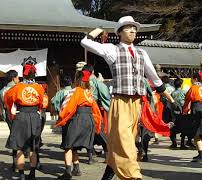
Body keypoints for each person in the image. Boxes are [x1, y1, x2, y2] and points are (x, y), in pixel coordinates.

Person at [81, 16, 175, 180]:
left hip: (137, 102)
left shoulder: (141, 52)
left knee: (126, 140)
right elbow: (85, 42)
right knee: (125, 141)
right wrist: (99, 29)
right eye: (128, 28)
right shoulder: (112, 50)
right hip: (121, 101)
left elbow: (154, 77)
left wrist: (170, 98)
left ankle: (109, 171)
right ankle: (133, 175)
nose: (132, 30)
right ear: (119, 32)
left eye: (134, 28)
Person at [56, 69, 102, 180]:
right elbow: (95, 110)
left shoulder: (75, 91)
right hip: (89, 119)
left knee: (68, 146)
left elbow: (67, 107)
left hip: (77, 119)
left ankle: (68, 172)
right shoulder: (89, 93)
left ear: (77, 79)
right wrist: (96, 123)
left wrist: (61, 119)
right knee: (74, 146)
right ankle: (76, 168)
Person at [4, 60, 44, 180]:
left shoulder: (17, 87)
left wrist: (13, 110)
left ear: (23, 74)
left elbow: (8, 99)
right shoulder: (39, 87)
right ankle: (32, 174)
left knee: (20, 147)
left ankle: (21, 175)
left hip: (21, 116)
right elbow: (42, 102)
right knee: (33, 147)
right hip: (35, 116)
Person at [81, 64, 111, 164]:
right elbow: (105, 94)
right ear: (92, 72)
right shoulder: (96, 81)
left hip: (82, 110)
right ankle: (107, 156)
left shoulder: (80, 82)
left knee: (88, 133)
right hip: (95, 109)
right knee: (101, 131)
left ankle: (90, 156)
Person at [182, 73, 202, 162]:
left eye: (191, 78)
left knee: (196, 134)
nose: (191, 80)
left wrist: (185, 111)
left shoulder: (193, 88)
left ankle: (201, 155)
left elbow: (187, 100)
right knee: (200, 134)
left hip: (196, 110)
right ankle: (201, 154)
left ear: (195, 79)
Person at [0, 70, 20, 171]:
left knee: (14, 136)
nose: (18, 79)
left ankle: (15, 162)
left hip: (9, 115)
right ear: (13, 78)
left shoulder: (3, 90)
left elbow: (2, 107)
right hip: (20, 114)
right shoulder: (19, 88)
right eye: (17, 77)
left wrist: (5, 117)